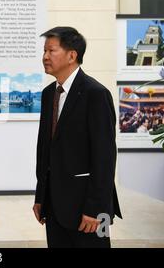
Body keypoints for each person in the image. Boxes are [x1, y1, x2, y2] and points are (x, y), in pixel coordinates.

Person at [32, 26, 122, 248]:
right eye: (44, 51)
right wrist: (40, 197)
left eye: (51, 51)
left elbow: (105, 157)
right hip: (54, 207)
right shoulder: (48, 95)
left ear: (72, 55)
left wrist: (96, 209)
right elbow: (45, 150)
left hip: (90, 211)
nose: (44, 57)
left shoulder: (96, 94)